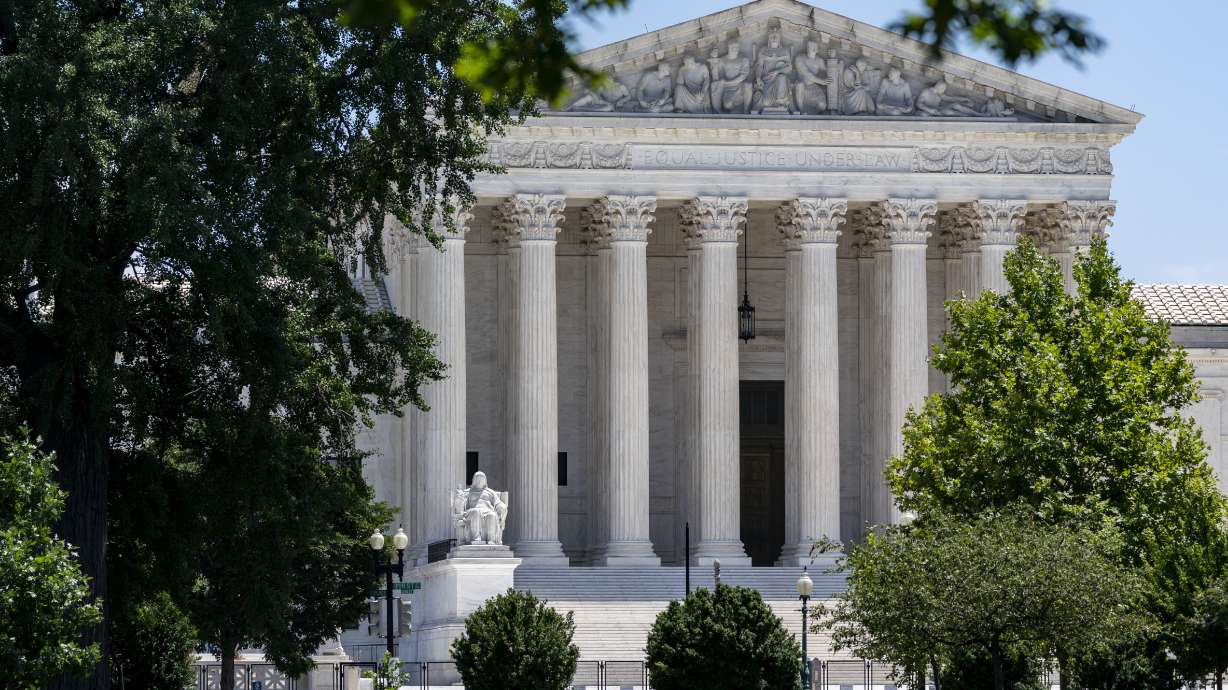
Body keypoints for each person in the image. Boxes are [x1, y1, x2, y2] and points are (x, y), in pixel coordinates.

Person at [454, 471, 508, 545]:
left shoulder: (490, 492)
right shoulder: (468, 492)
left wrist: (502, 506)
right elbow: (461, 505)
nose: (480, 481)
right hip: (472, 511)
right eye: (478, 479)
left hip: (488, 510)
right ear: (474, 481)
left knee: (492, 515)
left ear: (485, 481)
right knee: (476, 512)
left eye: (482, 479)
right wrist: (459, 498)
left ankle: (491, 539)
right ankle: (476, 538)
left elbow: (498, 503)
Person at [751, 29, 792, 113]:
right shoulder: (763, 50)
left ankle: (780, 101)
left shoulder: (784, 51)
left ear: (779, 38)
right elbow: (759, 66)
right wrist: (758, 78)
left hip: (780, 82)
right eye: (772, 36)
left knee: (782, 77)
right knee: (766, 102)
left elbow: (789, 68)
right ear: (768, 38)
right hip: (766, 81)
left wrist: (777, 71)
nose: (774, 38)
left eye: (776, 36)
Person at [709, 42, 753, 114]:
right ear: (728, 48)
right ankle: (718, 110)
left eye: (736, 47)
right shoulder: (722, 60)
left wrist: (731, 82)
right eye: (732, 47)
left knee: (748, 85)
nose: (734, 49)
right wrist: (714, 59)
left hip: (739, 85)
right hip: (726, 87)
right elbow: (717, 75)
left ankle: (746, 109)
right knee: (727, 104)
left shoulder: (743, 60)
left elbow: (744, 74)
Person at [566, 69, 632, 112]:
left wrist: (622, 101)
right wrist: (590, 92)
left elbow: (629, 96)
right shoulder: (602, 88)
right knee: (589, 97)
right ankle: (570, 107)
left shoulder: (621, 87)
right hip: (606, 103)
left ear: (612, 80)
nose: (606, 82)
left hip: (615, 105)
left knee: (607, 108)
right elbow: (597, 98)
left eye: (608, 79)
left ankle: (581, 110)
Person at [792, 40, 831, 115]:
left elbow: (827, 74)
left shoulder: (819, 60)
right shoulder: (800, 58)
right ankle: (801, 110)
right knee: (800, 85)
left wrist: (832, 58)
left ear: (817, 49)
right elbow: (806, 73)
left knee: (823, 105)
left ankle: (814, 114)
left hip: (813, 88)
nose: (811, 48)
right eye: (809, 46)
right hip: (802, 88)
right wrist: (821, 81)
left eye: (814, 47)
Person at [916, 80, 982, 116]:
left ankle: (977, 114)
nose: (943, 91)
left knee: (956, 105)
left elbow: (951, 98)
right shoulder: (926, 91)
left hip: (937, 111)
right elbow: (918, 104)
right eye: (943, 89)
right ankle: (966, 116)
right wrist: (929, 110)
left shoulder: (939, 95)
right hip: (927, 112)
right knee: (949, 112)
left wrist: (964, 99)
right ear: (939, 87)